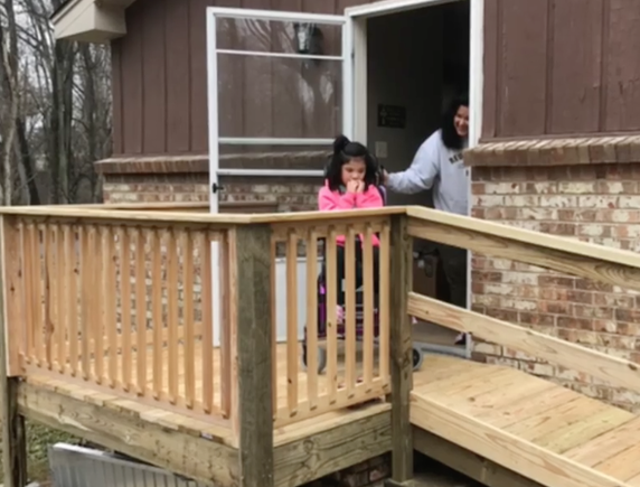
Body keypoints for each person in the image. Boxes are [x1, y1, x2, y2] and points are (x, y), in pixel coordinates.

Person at [382, 94, 470, 345]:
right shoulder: (438, 142)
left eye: (468, 119)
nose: (462, 123)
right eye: (459, 117)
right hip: (451, 222)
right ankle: (463, 329)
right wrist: (389, 180)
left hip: (482, 221)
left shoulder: (479, 139)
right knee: (458, 276)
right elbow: (418, 178)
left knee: (480, 276)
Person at [318, 135, 383, 322]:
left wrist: (360, 197)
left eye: (361, 171)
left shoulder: (372, 192)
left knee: (382, 254)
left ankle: (385, 304)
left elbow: (375, 217)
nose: (355, 176)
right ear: (339, 169)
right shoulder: (327, 192)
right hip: (341, 251)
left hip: (367, 251)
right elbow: (332, 220)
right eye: (349, 170)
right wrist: (348, 197)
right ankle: (335, 306)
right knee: (335, 253)